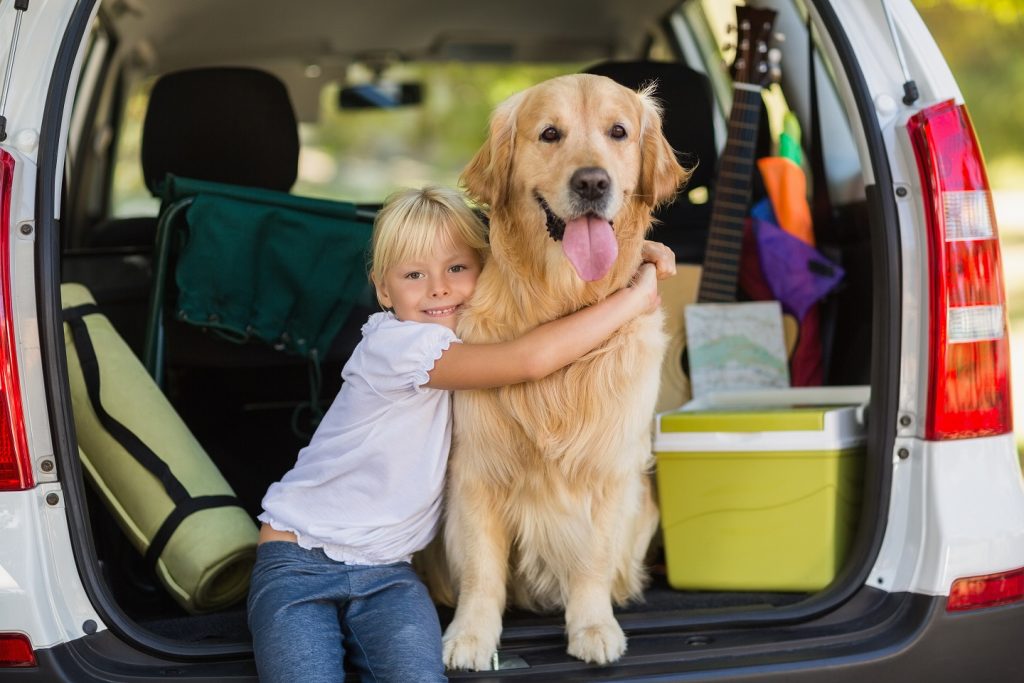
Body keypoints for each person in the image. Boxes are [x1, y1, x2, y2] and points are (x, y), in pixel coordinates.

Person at [246, 185, 675, 683]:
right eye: (413, 275)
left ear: (485, 270)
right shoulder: (396, 346)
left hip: (388, 573)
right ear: (383, 291)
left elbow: (527, 253)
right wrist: (635, 297)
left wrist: (618, 249)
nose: (438, 289)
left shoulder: (461, 333)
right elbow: (530, 360)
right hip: (298, 561)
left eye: (456, 268)